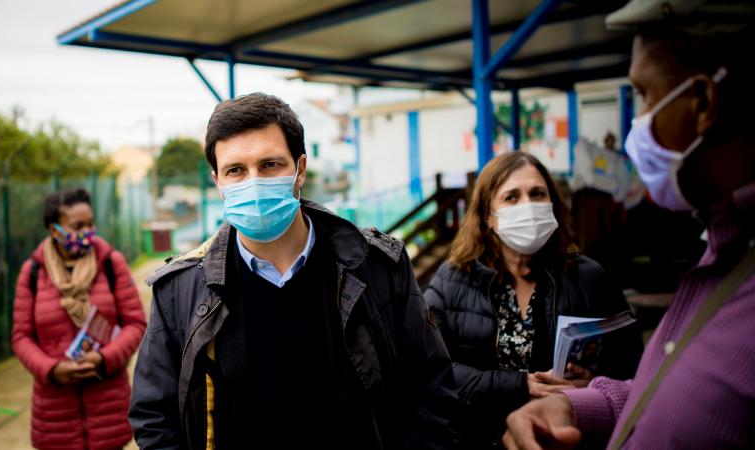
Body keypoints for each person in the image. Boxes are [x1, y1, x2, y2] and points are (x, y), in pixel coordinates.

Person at [129, 93, 456, 449]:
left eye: (270, 165)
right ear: (218, 182)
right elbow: (155, 417)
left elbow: (432, 387)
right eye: (236, 170)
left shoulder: (377, 267)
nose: (254, 183)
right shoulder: (179, 290)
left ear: (300, 169)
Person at [503, 1, 755, 449]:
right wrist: (580, 405)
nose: (638, 124)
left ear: (701, 102)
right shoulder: (725, 250)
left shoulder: (591, 275)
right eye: (511, 198)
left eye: (644, 95)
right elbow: (674, 400)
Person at [424, 152, 641, 449]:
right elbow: (430, 369)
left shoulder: (590, 278)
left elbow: (633, 369)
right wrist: (519, 385)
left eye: (537, 194)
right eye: (511, 197)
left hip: (564, 439)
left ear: (552, 205)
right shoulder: (452, 281)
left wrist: (593, 387)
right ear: (488, 217)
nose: (527, 206)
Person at [12, 188, 147, 449]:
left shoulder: (110, 263)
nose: (87, 232)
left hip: (107, 404)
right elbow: (21, 337)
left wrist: (104, 358)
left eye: (90, 224)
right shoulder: (33, 272)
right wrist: (51, 369)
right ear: (54, 231)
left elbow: (135, 323)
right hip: (54, 412)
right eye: (77, 226)